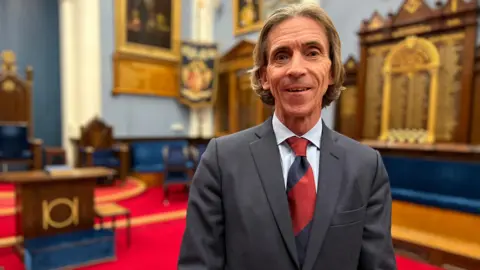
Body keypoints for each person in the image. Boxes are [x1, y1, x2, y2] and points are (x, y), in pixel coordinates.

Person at [178, 3, 397, 270]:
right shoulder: (221, 161)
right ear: (264, 76)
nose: (295, 68)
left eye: (312, 52)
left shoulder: (366, 166)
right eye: (281, 56)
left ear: (330, 72)